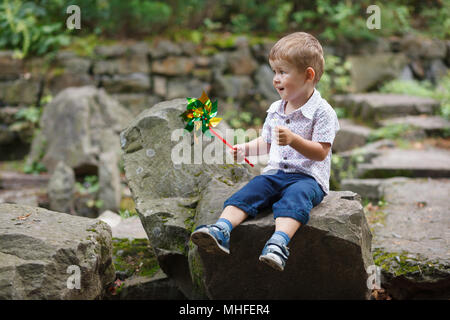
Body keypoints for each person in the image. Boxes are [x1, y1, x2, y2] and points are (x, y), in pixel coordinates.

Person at [190, 32, 340, 271]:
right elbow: (268, 142)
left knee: (296, 198)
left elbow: (321, 152)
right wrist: (246, 149)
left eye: (283, 72)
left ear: (308, 75)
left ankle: (278, 243)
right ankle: (222, 229)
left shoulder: (323, 112)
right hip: (276, 173)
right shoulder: (276, 109)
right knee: (252, 190)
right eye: (274, 72)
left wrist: (294, 140)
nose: (275, 79)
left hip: (308, 179)